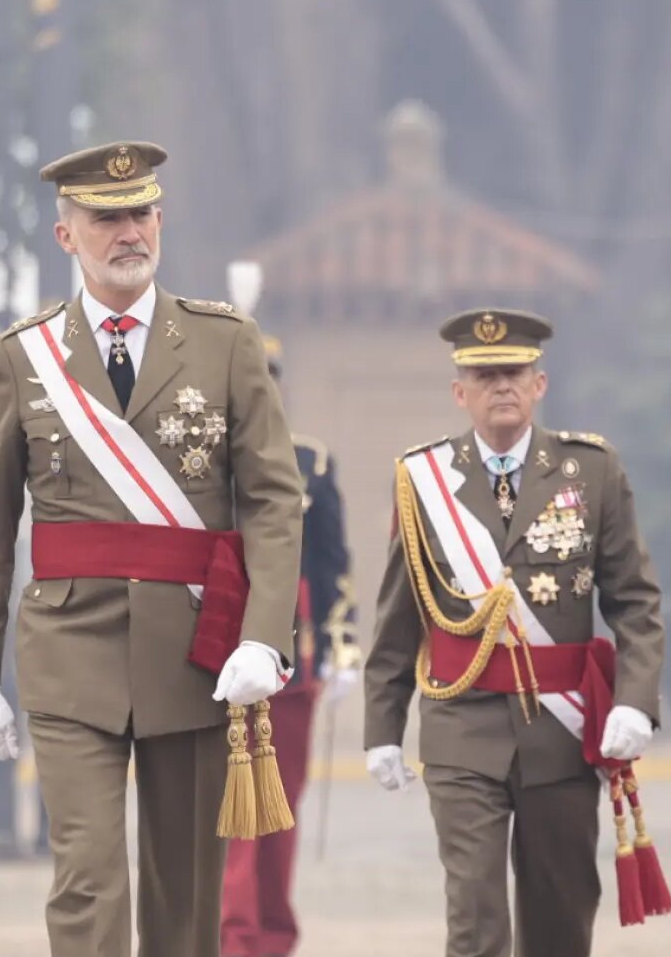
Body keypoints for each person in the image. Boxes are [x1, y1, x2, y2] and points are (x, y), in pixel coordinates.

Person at [0, 141, 305, 957]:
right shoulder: (25, 356)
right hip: (71, 649)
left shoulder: (225, 343)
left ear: (161, 219)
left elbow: (274, 500)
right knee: (88, 879)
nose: (127, 233)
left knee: (185, 895)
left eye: (140, 213)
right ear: (65, 234)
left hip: (196, 649)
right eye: (105, 218)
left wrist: (264, 635)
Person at [364, 308, 667, 957]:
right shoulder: (423, 481)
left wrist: (636, 700)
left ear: (540, 385)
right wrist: (382, 729)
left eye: (515, 372)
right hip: (460, 726)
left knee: (559, 914)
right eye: (485, 374)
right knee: (475, 913)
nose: (502, 384)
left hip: (558, 730)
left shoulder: (593, 472)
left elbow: (635, 601)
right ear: (460, 392)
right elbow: (398, 615)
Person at [220, 326, 362, 957]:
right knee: (222, 815)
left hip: (289, 663)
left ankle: (268, 937)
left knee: (275, 813)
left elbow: (333, 566)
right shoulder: (197, 457)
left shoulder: (311, 463)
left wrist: (341, 648)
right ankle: (229, 937)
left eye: (267, 383)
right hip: (211, 659)